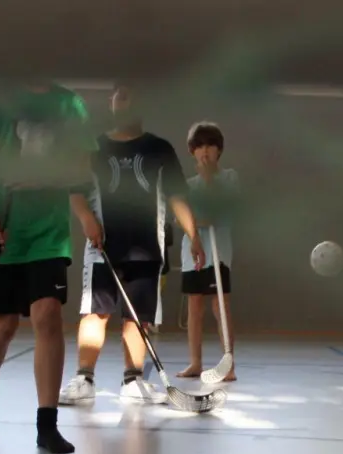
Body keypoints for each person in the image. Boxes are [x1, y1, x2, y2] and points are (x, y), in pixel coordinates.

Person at [0, 81, 100, 454]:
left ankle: (46, 423)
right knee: (3, 324)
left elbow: (80, 169)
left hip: (48, 233)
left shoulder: (70, 105)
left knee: (48, 315)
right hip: (1, 228)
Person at [59, 84, 204, 406]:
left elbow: (177, 196)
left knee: (138, 317)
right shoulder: (93, 147)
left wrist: (193, 235)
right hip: (102, 247)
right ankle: (84, 379)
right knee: (95, 313)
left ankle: (133, 380)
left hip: (146, 247)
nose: (126, 100)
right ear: (112, 102)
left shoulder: (159, 149)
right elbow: (76, 190)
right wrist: (86, 219)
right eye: (120, 94)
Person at [176, 121, 238, 381]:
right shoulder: (187, 185)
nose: (205, 151)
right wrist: (195, 230)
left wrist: (209, 177)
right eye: (199, 146)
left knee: (220, 304)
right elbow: (184, 217)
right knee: (195, 306)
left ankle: (229, 364)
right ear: (192, 151)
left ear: (219, 151)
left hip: (219, 252)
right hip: (193, 253)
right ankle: (195, 363)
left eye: (211, 146)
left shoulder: (229, 177)